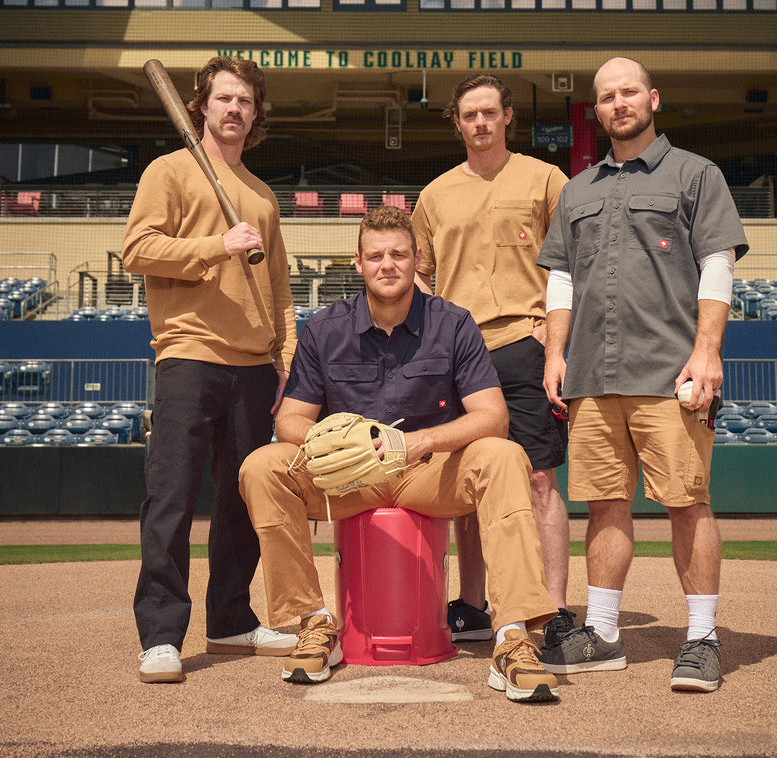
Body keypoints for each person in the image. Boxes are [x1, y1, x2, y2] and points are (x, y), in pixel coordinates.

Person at [238, 205, 561, 703]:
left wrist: (421, 441)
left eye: (399, 255)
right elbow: (289, 421)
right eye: (376, 256)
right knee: (262, 465)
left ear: (416, 261)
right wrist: (335, 441)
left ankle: (512, 635)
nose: (387, 265)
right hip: (351, 475)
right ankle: (315, 623)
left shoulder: (453, 323)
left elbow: (493, 416)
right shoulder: (325, 328)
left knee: (502, 454)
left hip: (428, 473)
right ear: (358, 262)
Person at [535, 56, 748, 692]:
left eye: (629, 92)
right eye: (607, 96)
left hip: (669, 373)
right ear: (596, 111)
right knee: (603, 508)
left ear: (653, 99)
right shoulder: (577, 190)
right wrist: (553, 353)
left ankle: (702, 640)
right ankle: (602, 634)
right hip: (594, 378)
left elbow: (717, 265)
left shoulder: (695, 174)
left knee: (688, 504)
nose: (619, 103)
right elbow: (561, 277)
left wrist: (707, 350)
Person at [122, 56, 298, 683]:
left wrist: (285, 360)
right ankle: (161, 635)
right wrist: (213, 247)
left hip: (254, 367)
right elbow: (136, 250)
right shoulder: (168, 171)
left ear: (256, 113)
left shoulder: (262, 196)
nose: (234, 110)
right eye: (223, 98)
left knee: (241, 503)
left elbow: (278, 291)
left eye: (245, 101)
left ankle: (230, 619)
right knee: (170, 499)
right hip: (188, 355)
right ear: (201, 105)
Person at [410, 74, 575, 647]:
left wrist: (551, 335)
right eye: (469, 115)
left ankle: (553, 609)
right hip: (458, 353)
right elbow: (419, 275)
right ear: (456, 123)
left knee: (537, 479)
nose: (479, 123)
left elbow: (572, 265)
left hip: (521, 345)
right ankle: (475, 604)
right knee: (469, 482)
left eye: (489, 113)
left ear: (508, 116)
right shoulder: (433, 196)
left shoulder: (546, 178)